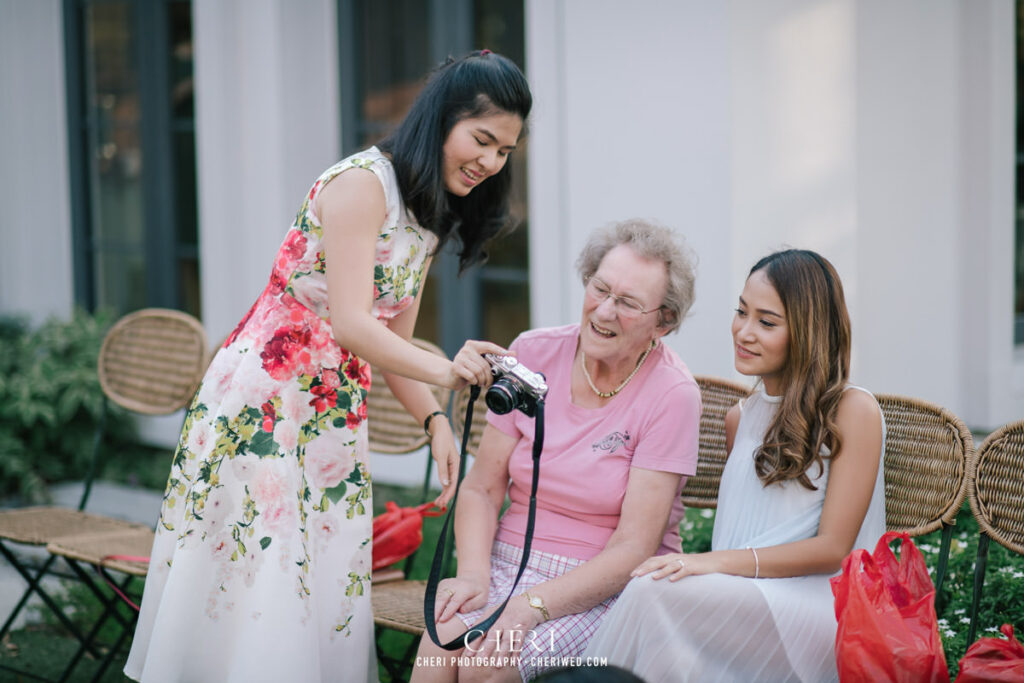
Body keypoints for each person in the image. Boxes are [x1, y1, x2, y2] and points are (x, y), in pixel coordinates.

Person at [124, 50, 532, 683]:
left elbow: (394, 337)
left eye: (505, 151)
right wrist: (451, 374)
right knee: (263, 569)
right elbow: (351, 323)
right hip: (264, 401)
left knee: (323, 568)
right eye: (481, 139)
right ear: (441, 119)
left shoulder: (423, 213)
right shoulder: (360, 185)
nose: (490, 162)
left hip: (331, 410)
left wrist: (436, 422)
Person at [411, 219, 702, 683]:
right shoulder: (534, 352)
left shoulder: (672, 394)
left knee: (486, 666)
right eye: (600, 289)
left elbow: (633, 547)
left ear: (662, 322)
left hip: (601, 587)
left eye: (627, 303)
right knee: (438, 643)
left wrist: (533, 606)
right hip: (507, 561)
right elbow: (483, 488)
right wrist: (472, 574)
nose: (605, 312)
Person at [583, 249, 887, 682]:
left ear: (808, 331)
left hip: (819, 607)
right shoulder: (739, 419)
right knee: (662, 625)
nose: (744, 332)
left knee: (653, 594)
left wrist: (711, 563)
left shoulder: (852, 410)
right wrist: (713, 570)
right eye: (741, 312)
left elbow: (832, 549)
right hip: (742, 596)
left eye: (766, 322)